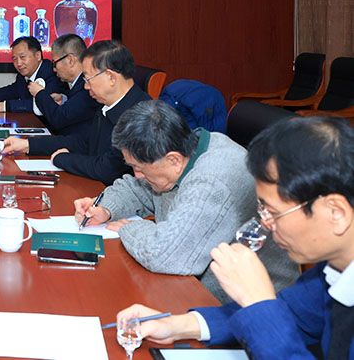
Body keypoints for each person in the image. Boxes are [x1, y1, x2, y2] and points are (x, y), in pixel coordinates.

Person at [115, 116, 353, 359]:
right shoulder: (331, 270)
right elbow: (292, 314)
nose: (265, 224)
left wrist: (257, 302)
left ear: (336, 213)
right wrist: (176, 325)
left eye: (273, 212)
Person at [74, 100, 298, 302]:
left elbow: (165, 255)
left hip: (248, 301)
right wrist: (105, 208)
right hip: (196, 280)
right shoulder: (182, 151)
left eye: (139, 168)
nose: (137, 175)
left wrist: (130, 228)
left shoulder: (212, 182)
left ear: (173, 159)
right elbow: (137, 188)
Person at [4, 39, 148, 184]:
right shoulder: (107, 106)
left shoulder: (142, 116)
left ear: (111, 78)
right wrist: (28, 144)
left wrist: (63, 159)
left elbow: (107, 169)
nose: (86, 87)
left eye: (88, 79)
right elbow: (83, 142)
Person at [1, 34, 97, 155]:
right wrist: (63, 99)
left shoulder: (88, 87)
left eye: (55, 63)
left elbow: (59, 119)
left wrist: (40, 93)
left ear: (70, 60)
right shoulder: (77, 84)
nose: (54, 69)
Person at [0, 36, 57, 114]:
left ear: (38, 55)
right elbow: (11, 91)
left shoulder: (51, 73)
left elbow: (44, 103)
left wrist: (5, 106)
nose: (19, 63)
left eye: (22, 57)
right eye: (14, 59)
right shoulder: (23, 76)